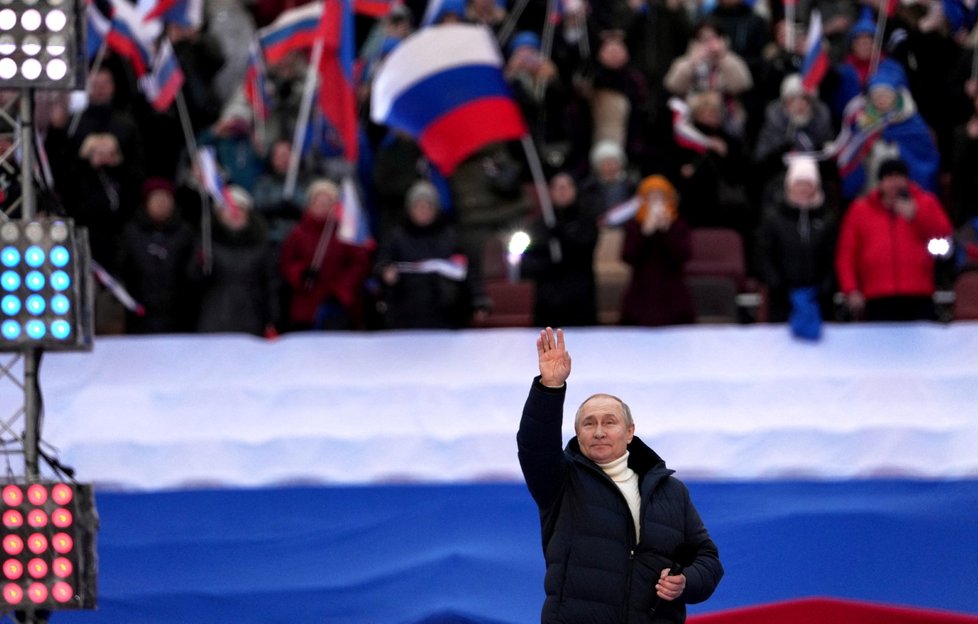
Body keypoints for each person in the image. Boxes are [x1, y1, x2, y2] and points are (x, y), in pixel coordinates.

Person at [517, 327, 724, 623]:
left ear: (629, 432)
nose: (599, 431)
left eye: (609, 422)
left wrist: (686, 582)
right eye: (589, 424)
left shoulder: (671, 491)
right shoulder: (561, 481)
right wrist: (549, 388)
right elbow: (534, 446)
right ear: (577, 434)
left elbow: (708, 560)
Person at [836, 158, 953, 321]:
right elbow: (846, 255)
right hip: (876, 296)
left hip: (918, 294)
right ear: (881, 182)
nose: (894, 182)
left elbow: (945, 237)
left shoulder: (925, 203)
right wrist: (851, 289)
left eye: (899, 177)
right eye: (889, 177)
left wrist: (916, 216)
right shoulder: (860, 210)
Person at [619, 175, 696, 327]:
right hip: (640, 295)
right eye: (650, 197)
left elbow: (683, 255)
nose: (656, 202)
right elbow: (628, 256)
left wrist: (666, 231)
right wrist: (645, 233)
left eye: (661, 197)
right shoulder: (634, 226)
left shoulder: (678, 225)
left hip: (673, 296)